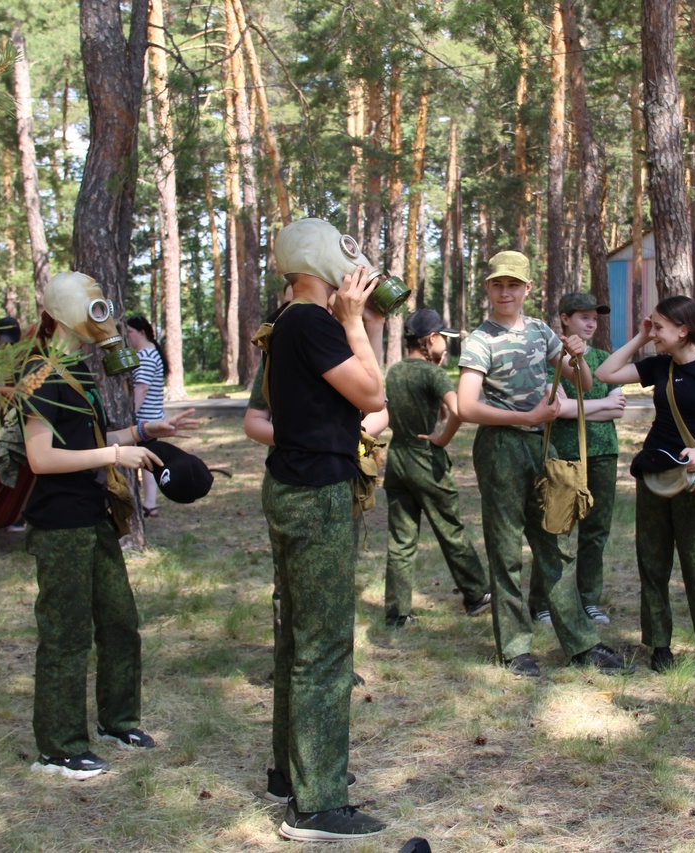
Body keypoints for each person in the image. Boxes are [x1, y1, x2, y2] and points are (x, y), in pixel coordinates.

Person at [22, 271, 196, 781]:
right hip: (59, 526)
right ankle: (58, 746)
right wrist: (117, 452)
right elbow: (41, 458)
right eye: (92, 310)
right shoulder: (39, 374)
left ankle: (118, 721)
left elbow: (90, 439)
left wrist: (143, 431)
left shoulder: (77, 370)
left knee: (120, 623)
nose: (101, 322)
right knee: (66, 635)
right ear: (61, 313)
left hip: (93, 517)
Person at [260, 218, 388, 842]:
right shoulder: (312, 322)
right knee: (325, 647)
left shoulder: (289, 324)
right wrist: (355, 321)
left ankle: (291, 771)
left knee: (297, 641)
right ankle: (317, 805)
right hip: (317, 497)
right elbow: (371, 393)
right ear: (318, 263)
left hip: (291, 485)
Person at [457, 250, 629, 678]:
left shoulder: (539, 331)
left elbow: (585, 385)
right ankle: (515, 649)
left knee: (555, 544)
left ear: (527, 289)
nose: (505, 292)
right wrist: (525, 417)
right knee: (506, 550)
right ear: (488, 288)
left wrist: (575, 355)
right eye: (497, 284)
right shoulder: (480, 339)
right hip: (500, 446)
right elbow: (465, 406)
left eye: (513, 285)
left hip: (542, 445)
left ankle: (581, 644)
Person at [596, 295, 695, 681]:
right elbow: (606, 374)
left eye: (660, 327)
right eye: (653, 326)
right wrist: (641, 338)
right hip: (653, 476)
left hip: (692, 480)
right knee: (653, 563)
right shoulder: (659, 365)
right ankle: (659, 646)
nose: (655, 331)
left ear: (684, 330)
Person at [382, 308, 491, 627]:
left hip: (397, 461)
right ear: (430, 339)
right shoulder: (432, 374)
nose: (446, 345)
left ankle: (397, 614)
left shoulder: (395, 371)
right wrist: (443, 438)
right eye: (443, 338)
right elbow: (461, 409)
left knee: (400, 540)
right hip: (426, 462)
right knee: (451, 530)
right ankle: (475, 595)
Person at [528, 292, 626, 625]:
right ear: (565, 318)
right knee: (555, 529)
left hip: (603, 453)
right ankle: (543, 601)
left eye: (595, 318)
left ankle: (588, 599)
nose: (591, 323)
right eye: (584, 316)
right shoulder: (548, 357)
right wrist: (600, 408)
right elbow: (558, 408)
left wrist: (580, 409)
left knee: (595, 531)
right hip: (563, 453)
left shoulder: (603, 357)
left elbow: (620, 406)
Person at [125, 315, 168, 518]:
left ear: (141, 332)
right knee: (146, 461)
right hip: (151, 417)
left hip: (146, 419)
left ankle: (150, 503)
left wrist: (130, 415)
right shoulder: (149, 353)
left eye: (129, 333)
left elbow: (141, 388)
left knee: (146, 461)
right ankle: (149, 503)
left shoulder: (146, 355)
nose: (128, 337)